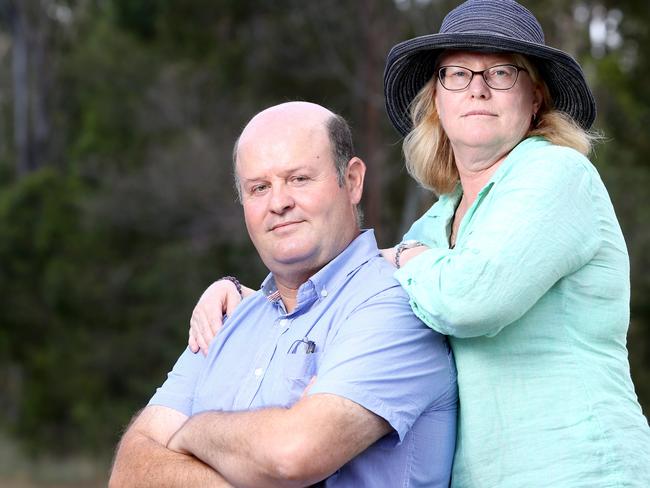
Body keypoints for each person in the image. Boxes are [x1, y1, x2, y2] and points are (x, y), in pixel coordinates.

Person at [187, 1, 650, 487]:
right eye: (456, 73)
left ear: (534, 98)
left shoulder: (558, 174)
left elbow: (471, 298)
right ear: (437, 101)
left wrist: (406, 257)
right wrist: (251, 301)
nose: (477, 87)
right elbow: (360, 289)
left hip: (581, 468)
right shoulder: (436, 224)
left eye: (502, 73)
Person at [109, 101, 458, 488]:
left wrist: (192, 434)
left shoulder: (394, 304)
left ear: (353, 180)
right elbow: (130, 470)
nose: (279, 203)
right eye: (259, 188)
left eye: (299, 179)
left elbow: (292, 457)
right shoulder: (227, 319)